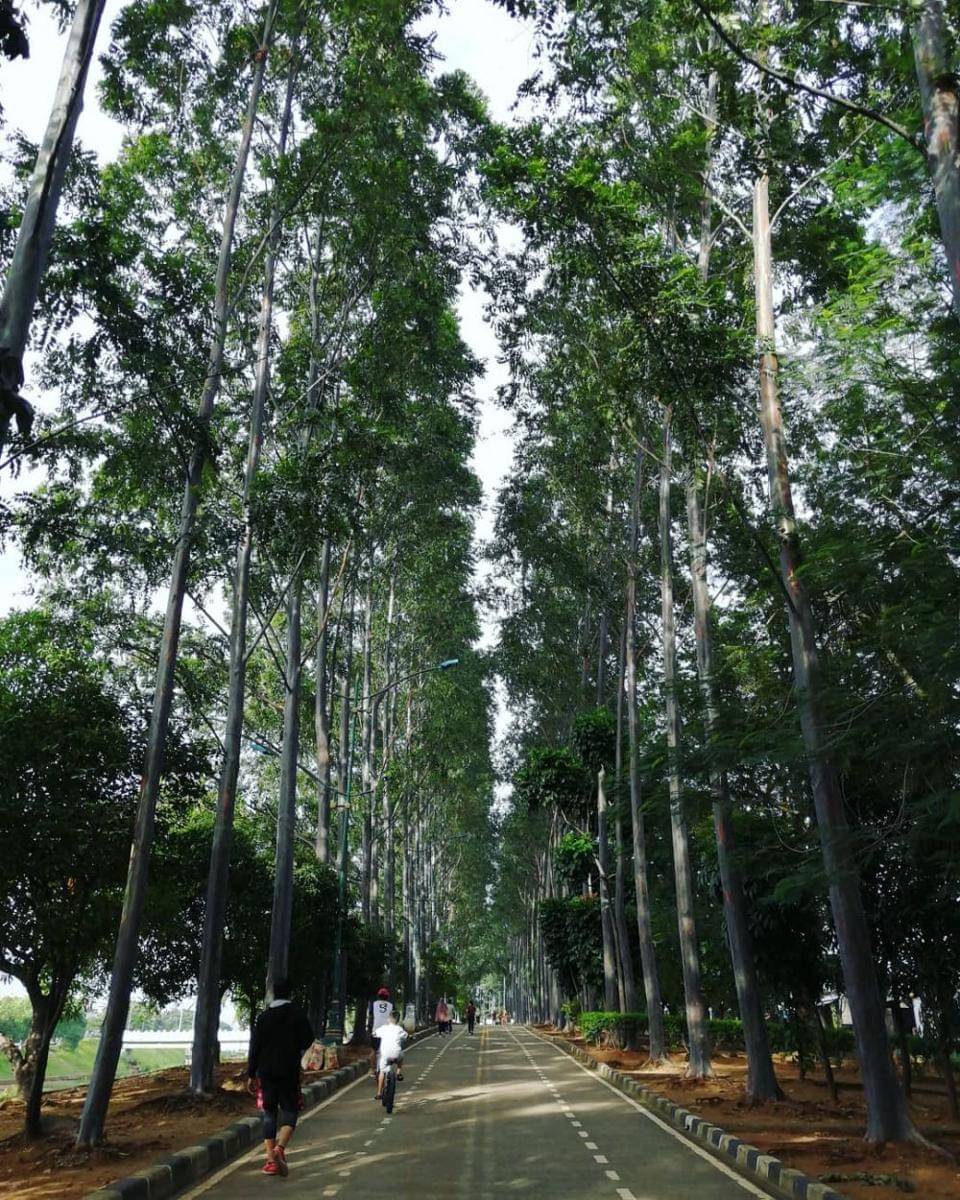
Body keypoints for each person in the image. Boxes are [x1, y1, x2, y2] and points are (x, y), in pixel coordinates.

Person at [247, 978, 314, 1177]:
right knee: (290, 1109)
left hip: (266, 1072)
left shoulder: (263, 1017)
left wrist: (251, 1073)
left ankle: (270, 1160)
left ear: (273, 993)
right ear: (290, 993)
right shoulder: (297, 1014)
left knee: (269, 1113)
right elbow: (308, 1039)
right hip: (289, 1070)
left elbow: (255, 1046)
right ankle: (280, 1148)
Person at [375, 1009, 407, 1101]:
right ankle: (398, 1073)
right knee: (401, 1056)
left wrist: (373, 1034)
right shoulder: (399, 1029)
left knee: (382, 1071)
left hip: (385, 1055)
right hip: (396, 1054)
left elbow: (375, 1033)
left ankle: (379, 1093)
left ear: (388, 1019)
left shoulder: (383, 1028)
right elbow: (406, 1036)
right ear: (398, 1020)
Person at [369, 986, 393, 1091]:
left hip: (376, 1031)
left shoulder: (374, 1004)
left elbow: (371, 1016)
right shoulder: (391, 1005)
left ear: (378, 996)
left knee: (374, 1051)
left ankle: (373, 1070)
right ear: (387, 997)